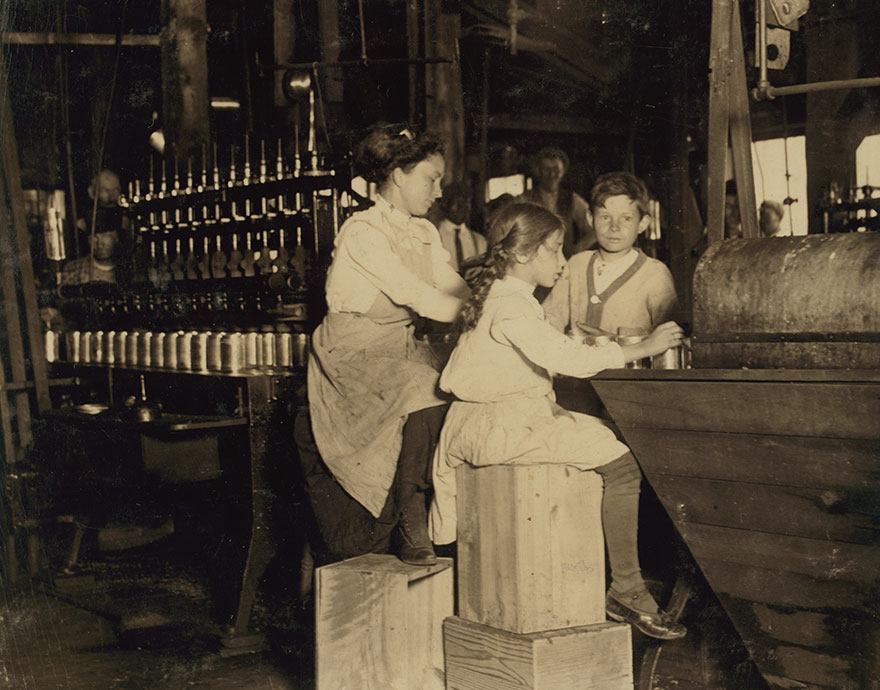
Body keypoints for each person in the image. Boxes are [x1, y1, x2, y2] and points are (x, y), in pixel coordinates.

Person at [429, 201, 687, 640]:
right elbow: (566, 359)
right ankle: (627, 588)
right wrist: (644, 347)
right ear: (523, 254)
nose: (563, 263)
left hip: (496, 418)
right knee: (623, 462)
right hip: (498, 426)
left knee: (602, 434)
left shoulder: (503, 296)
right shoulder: (512, 305)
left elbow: (543, 352)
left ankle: (615, 580)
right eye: (554, 251)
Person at [297, 124, 469, 567]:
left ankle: (447, 516)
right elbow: (417, 294)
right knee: (426, 391)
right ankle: (412, 518)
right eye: (430, 178)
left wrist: (493, 300)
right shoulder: (363, 231)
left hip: (397, 346)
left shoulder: (425, 233)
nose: (438, 190)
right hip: (350, 354)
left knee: (459, 385)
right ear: (397, 175)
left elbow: (451, 284)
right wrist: (476, 315)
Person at [542, 171, 678, 338]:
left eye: (626, 218)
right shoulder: (576, 264)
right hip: (580, 364)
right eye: (605, 217)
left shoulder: (655, 274)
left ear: (642, 223)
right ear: (590, 219)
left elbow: (670, 337)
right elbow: (550, 317)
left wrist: (612, 338)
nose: (614, 227)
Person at [517, 146, 594, 257]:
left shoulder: (572, 199)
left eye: (556, 170)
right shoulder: (525, 198)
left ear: (563, 172)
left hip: (563, 262)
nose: (552, 174)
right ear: (538, 171)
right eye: (547, 170)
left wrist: (576, 251)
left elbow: (593, 230)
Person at [61, 169, 126, 285]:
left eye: (115, 190)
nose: (111, 196)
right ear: (92, 192)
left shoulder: (126, 269)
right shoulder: (75, 269)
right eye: (105, 190)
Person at [434, 181, 487, 273]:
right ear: (445, 205)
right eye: (458, 203)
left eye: (467, 203)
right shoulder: (433, 236)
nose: (463, 208)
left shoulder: (479, 241)